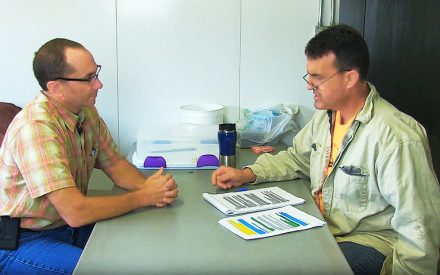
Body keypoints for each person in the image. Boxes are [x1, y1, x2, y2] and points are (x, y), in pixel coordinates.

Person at [211, 25, 440, 274]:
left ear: (349, 77)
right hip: (322, 228)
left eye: (318, 78)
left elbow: (419, 227)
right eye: (308, 76)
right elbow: (297, 157)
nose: (309, 85)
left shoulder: (397, 137)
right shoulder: (327, 115)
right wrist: (248, 173)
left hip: (369, 242)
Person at [0, 38, 179, 274]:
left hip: (66, 226)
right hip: (23, 241)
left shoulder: (86, 112)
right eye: (88, 78)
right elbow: (75, 211)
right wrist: (143, 197)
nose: (99, 85)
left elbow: (114, 163)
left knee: (142, 247)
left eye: (96, 74)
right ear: (55, 88)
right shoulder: (35, 128)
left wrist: (155, 190)